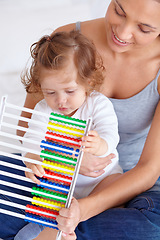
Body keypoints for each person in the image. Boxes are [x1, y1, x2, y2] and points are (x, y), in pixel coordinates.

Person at [0, 0, 160, 239]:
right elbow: (27, 129)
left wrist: (83, 210)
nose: (123, 32)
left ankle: (44, 227)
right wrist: (64, 159)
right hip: (52, 172)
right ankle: (62, 226)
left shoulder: (101, 103)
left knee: (151, 228)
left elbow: (148, 170)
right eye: (119, 10)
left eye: (144, 28)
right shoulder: (63, 43)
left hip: (122, 181)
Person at [21, 30, 122, 200]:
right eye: (50, 92)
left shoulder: (98, 104)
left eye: (69, 91)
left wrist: (100, 145)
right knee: (48, 202)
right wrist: (32, 159)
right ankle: (66, 220)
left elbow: (111, 134)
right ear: (40, 87)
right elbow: (32, 140)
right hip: (62, 182)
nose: (61, 101)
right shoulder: (43, 110)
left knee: (115, 191)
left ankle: (91, 212)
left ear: (87, 82)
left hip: (102, 177)